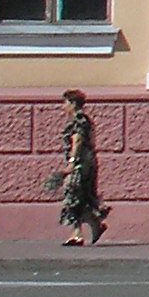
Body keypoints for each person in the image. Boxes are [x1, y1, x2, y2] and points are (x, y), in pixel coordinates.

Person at [54, 90, 107, 246]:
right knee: (82, 195)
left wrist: (72, 162)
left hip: (80, 164)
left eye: (65, 103)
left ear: (73, 104)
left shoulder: (77, 120)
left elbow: (77, 141)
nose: (63, 107)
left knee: (72, 193)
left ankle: (77, 233)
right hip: (88, 162)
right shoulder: (86, 120)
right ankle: (95, 224)